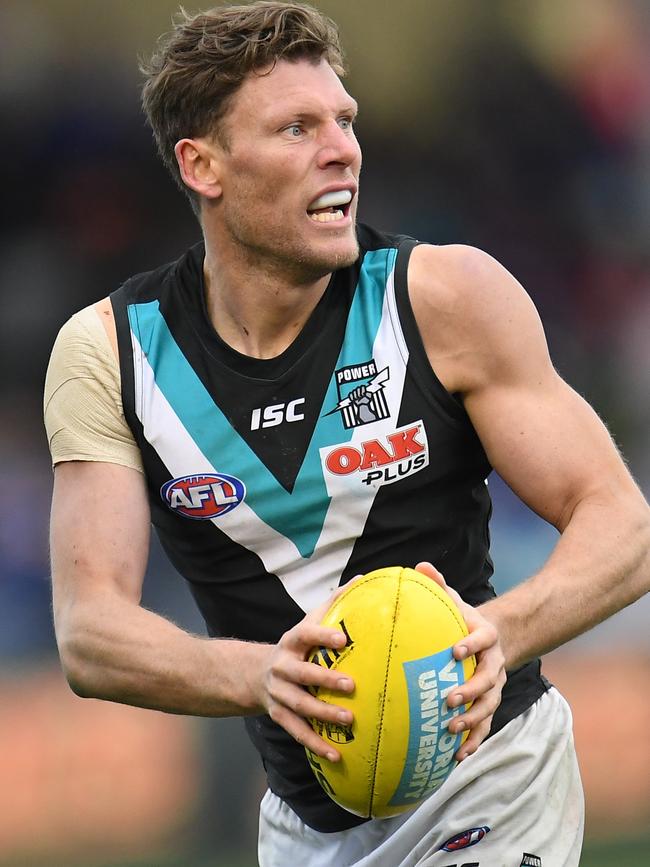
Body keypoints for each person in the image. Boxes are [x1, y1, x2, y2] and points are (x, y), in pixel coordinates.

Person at [44, 3, 650, 865]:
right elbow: (89, 631)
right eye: (297, 127)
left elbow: (625, 524)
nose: (342, 149)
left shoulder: (445, 299)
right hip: (304, 830)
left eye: (345, 120)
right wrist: (263, 677)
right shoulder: (109, 353)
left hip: (495, 781)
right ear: (202, 165)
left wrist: (498, 634)